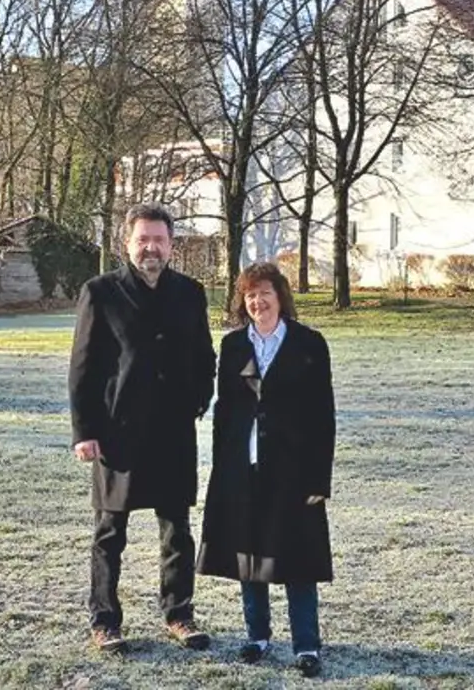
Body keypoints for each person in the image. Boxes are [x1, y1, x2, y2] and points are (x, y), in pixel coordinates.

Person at [67, 203, 217, 653]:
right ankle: (105, 620)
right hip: (118, 434)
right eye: (142, 239)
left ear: (172, 244)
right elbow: (83, 369)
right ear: (126, 243)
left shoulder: (190, 293)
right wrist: (84, 431)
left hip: (173, 434)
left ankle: (179, 614)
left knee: (177, 531)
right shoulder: (101, 292)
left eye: (159, 239)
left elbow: (204, 356)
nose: (151, 248)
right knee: (110, 533)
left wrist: (198, 399)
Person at [196, 261, 336, 678]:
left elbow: (323, 416)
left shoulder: (310, 343)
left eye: (265, 293)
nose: (258, 301)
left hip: (294, 472)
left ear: (280, 297)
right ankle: (257, 636)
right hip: (244, 467)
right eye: (250, 294)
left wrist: (318, 478)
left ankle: (306, 645)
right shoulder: (235, 345)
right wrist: (223, 472)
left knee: (299, 559)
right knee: (249, 555)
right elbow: (226, 411)